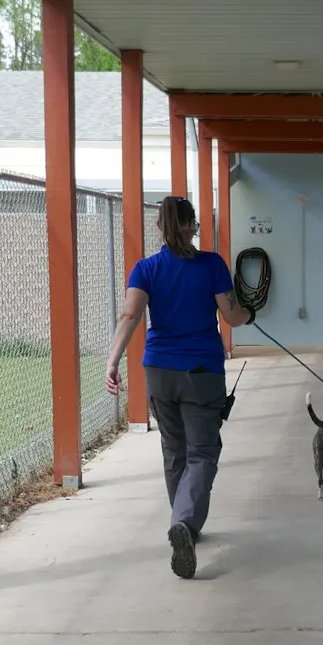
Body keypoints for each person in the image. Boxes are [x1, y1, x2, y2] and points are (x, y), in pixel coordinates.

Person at [105, 196, 254, 578]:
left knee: (174, 449)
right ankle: (185, 524)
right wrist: (250, 311)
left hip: (158, 370)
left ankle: (181, 522)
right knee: (203, 451)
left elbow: (131, 314)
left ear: (159, 227)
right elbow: (232, 316)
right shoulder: (212, 265)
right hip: (201, 371)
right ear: (193, 225)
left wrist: (113, 360)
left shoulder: (145, 269)